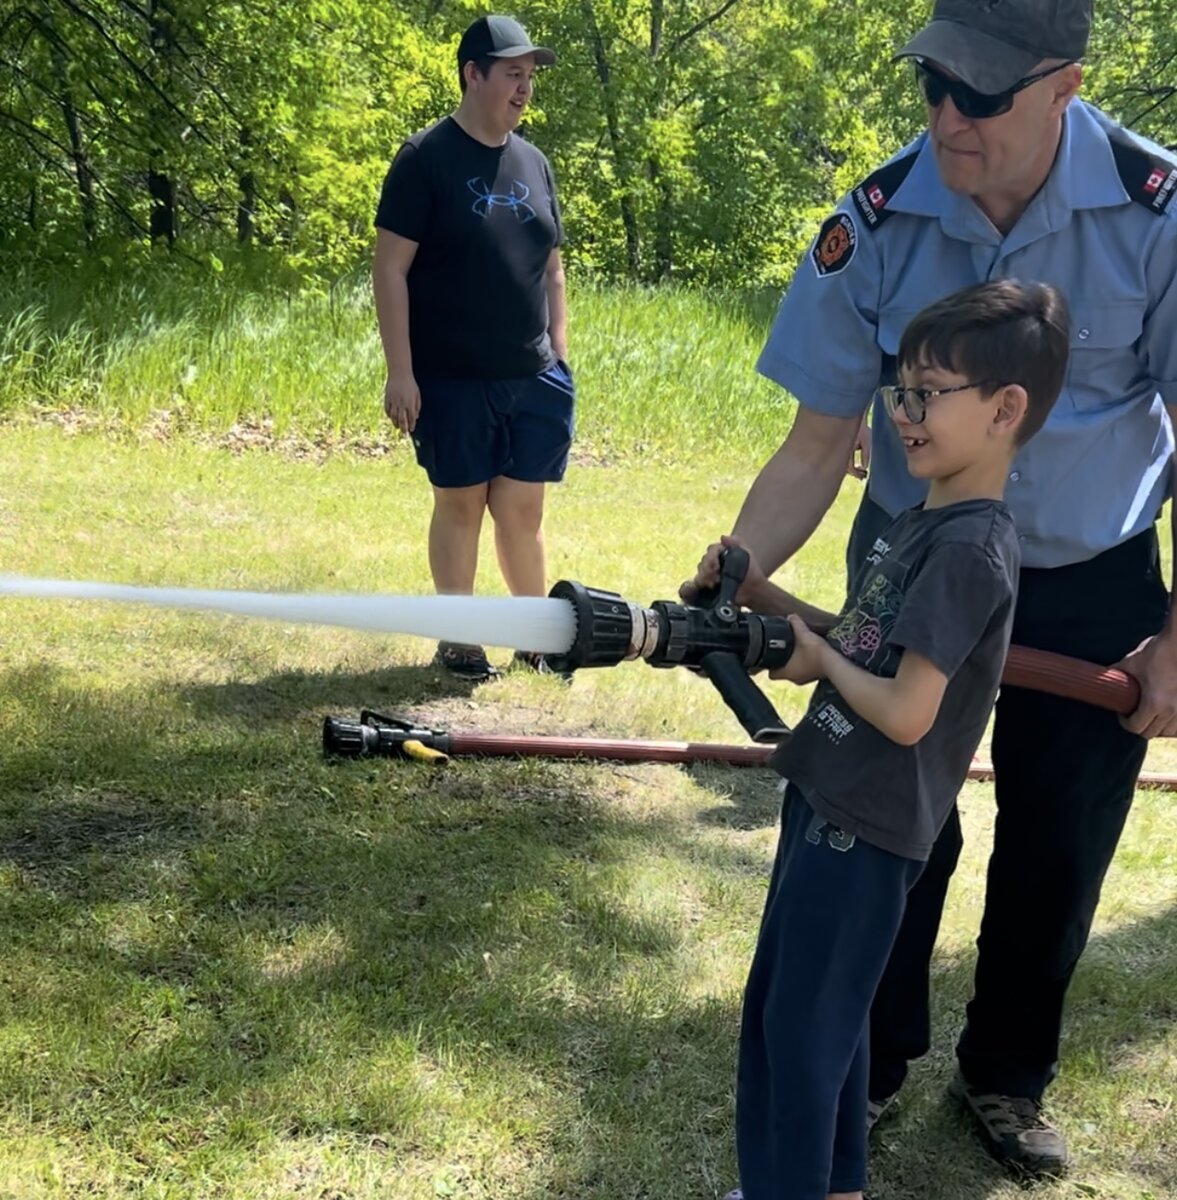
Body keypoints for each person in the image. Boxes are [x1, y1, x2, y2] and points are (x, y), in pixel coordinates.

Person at [690, 0, 1177, 1176]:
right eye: (932, 88)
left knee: (1059, 840)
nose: (947, 119)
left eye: (981, 96)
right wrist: (740, 571)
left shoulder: (1159, 213)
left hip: (1088, 576)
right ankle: (872, 1058)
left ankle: (1006, 1077)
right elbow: (816, 444)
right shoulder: (878, 215)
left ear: (1063, 86)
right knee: (877, 818)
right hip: (911, 564)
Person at [724, 280, 1069, 1200]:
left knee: (799, 1038)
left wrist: (819, 666)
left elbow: (908, 710)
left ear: (1004, 410)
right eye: (900, 391)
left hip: (865, 826)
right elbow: (861, 644)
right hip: (828, 793)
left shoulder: (968, 549)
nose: (905, 415)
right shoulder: (924, 524)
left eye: (928, 394)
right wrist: (765, 598)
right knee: (812, 1026)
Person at [373, 14, 574, 681]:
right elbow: (389, 269)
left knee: (522, 510)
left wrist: (560, 353)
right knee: (459, 503)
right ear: (472, 74)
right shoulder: (424, 159)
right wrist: (400, 373)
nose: (525, 90)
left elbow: (551, 267)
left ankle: (534, 637)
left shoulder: (534, 159)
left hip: (532, 376)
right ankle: (458, 639)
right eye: (512, 74)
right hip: (450, 377)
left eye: (530, 77)